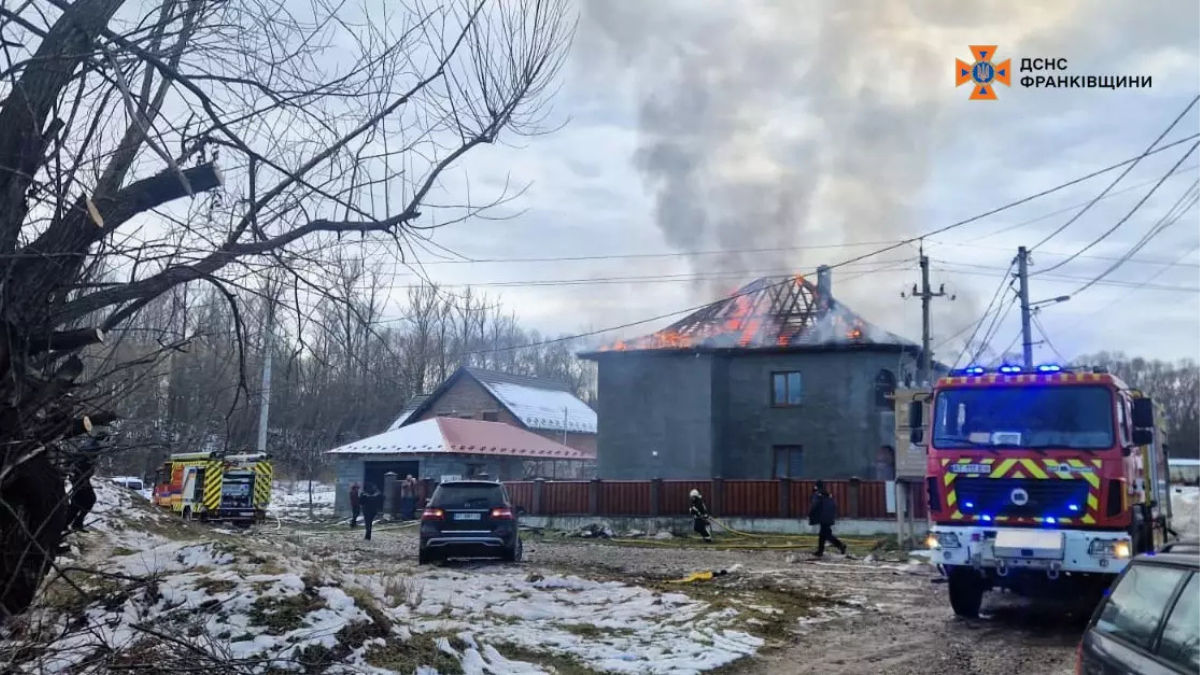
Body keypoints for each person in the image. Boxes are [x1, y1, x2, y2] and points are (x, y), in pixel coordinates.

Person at [66, 434, 102, 532]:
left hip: (79, 478)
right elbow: (83, 462)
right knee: (89, 499)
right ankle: (72, 523)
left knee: (78, 501)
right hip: (80, 479)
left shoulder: (90, 446)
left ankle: (72, 523)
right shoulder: (92, 448)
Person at [808, 480, 846, 557]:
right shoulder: (828, 494)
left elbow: (815, 505)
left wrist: (811, 515)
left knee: (826, 534)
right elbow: (834, 505)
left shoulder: (817, 495)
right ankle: (820, 551)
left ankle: (840, 545)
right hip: (829, 517)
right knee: (823, 534)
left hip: (823, 517)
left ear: (816, 486)